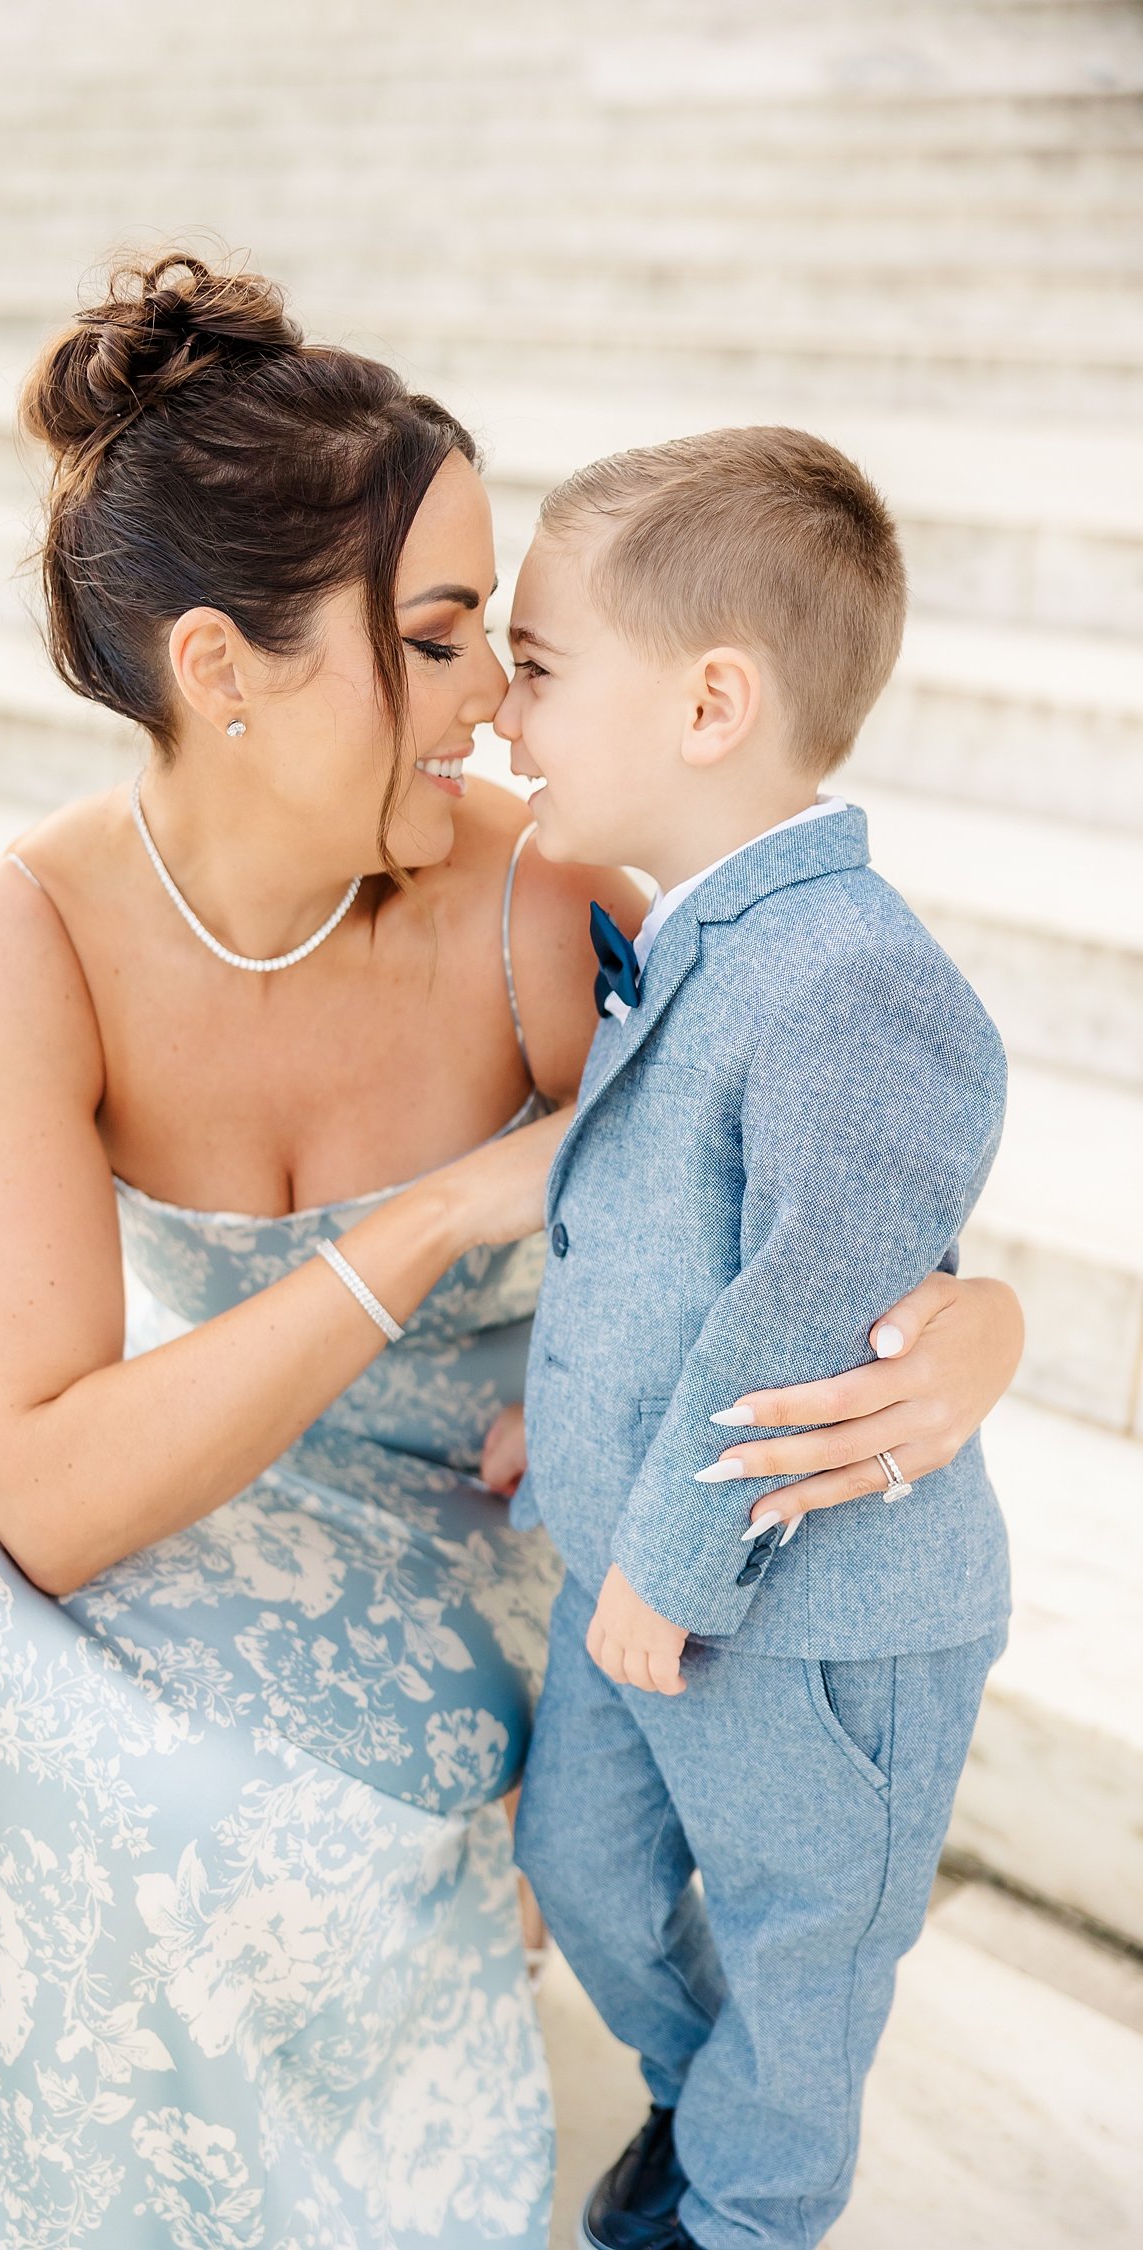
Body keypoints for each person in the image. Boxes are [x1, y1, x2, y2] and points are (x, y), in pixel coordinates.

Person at [0, 260, 1023, 2250]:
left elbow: (821, 1174)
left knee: (259, 1818)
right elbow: (48, 1493)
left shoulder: (542, 897)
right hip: (243, 1488)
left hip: (527, 1530)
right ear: (221, 672)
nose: (498, 703)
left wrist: (980, 1322)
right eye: (433, 644)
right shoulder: (35, 938)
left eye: (499, 646)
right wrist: (433, 1215)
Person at [501, 428, 1013, 2250]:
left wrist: (670, 1549)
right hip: (638, 1559)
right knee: (589, 1869)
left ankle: (742, 2211)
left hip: (816, 1618)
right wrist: (559, 1406)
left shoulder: (854, 974)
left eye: (540, 667)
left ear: (713, 701)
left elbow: (800, 1303)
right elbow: (659, 1242)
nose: (500, 708)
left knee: (811, 1966)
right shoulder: (700, 933)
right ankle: (706, 2111)